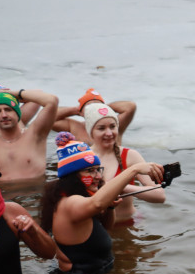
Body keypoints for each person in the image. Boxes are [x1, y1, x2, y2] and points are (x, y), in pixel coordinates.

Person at [39, 132, 164, 274]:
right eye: (90, 171)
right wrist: (134, 170)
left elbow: (106, 230)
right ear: (72, 176)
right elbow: (97, 203)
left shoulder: (81, 198)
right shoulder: (69, 203)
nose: (98, 176)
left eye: (98, 169)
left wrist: (110, 209)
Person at [55, 92, 162, 224]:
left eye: (113, 126)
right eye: (101, 128)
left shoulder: (129, 155)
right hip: (94, 227)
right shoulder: (82, 158)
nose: (109, 133)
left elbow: (159, 196)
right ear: (91, 132)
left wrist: (122, 185)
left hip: (126, 224)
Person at [0, 88, 59, 182]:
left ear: (18, 113)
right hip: (2, 195)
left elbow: (52, 100)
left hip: (35, 193)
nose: (4, 115)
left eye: (8, 109)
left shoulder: (35, 134)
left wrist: (15, 93)